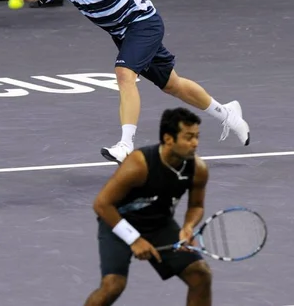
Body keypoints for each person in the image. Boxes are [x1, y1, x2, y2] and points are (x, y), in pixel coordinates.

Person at [0, 0, 250, 163]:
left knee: (124, 74)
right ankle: (228, 114)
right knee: (173, 85)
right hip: (124, 36)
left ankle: (126, 145)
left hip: (144, 23)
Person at [83, 107, 212, 306]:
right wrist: (134, 239)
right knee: (113, 286)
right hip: (118, 222)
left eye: (197, 136)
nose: (195, 143)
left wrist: (187, 228)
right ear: (169, 139)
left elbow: (196, 205)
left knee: (200, 275)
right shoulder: (139, 164)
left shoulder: (198, 169)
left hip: (159, 224)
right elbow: (102, 204)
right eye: (188, 137)